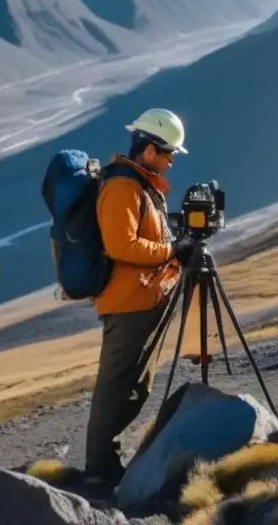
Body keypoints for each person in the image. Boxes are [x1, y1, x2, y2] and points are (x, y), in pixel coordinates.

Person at [84, 108, 192, 486]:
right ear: (149, 150)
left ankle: (108, 464)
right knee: (115, 387)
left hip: (144, 299)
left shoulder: (142, 185)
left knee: (137, 386)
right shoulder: (122, 187)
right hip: (126, 302)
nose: (171, 160)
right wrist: (171, 252)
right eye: (168, 154)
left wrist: (173, 243)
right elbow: (121, 244)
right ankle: (99, 470)